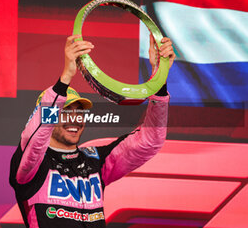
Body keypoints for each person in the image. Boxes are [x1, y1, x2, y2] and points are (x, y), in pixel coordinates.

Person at [10, 34, 176, 228]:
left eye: (79, 112)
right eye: (66, 112)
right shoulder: (31, 165)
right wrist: (65, 78)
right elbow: (36, 135)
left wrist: (159, 79)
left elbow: (149, 141)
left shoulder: (96, 160)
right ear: (50, 116)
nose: (75, 119)